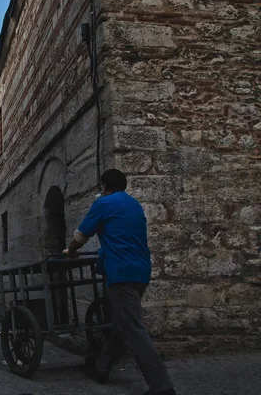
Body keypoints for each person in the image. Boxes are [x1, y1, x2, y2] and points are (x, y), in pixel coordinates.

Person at [66, 169, 175, 395]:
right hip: (141, 271)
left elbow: (80, 236)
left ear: (105, 186)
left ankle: (162, 386)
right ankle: (101, 367)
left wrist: (72, 251)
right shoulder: (134, 205)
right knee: (120, 323)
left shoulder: (104, 203)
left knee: (133, 329)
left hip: (121, 273)